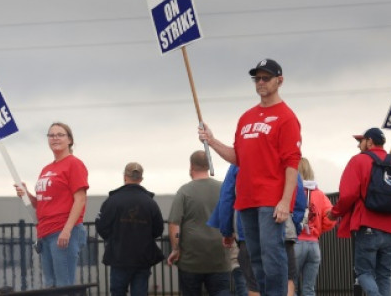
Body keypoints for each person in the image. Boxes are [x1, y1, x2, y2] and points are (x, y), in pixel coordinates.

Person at [199, 58, 302, 296]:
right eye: (257, 78)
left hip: (270, 200)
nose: (261, 82)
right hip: (245, 199)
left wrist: (285, 201)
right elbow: (238, 157)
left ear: (280, 80)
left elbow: (292, 162)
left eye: (266, 78)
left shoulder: (286, 117)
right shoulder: (246, 117)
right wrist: (212, 141)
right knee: (255, 259)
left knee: (272, 254)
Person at [328, 128, 391, 296]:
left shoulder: (358, 161)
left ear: (369, 142)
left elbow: (348, 195)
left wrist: (335, 213)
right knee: (384, 276)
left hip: (368, 226)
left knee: (364, 273)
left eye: (360, 142)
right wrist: (389, 203)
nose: (358, 146)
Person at [16, 122, 89, 288]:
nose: (55, 138)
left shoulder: (74, 164)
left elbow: (80, 200)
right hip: (45, 232)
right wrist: (26, 195)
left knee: (64, 285)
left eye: (60, 134)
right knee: (50, 285)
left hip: (63, 231)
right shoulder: (46, 168)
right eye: (51, 135)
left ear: (70, 140)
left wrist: (67, 230)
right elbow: (42, 203)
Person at [95, 162, 165, 296]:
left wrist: (112, 239)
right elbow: (158, 230)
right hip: (142, 258)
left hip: (119, 256)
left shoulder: (112, 201)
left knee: (118, 291)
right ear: (141, 179)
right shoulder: (150, 202)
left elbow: (102, 226)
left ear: (125, 177)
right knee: (140, 292)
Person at [167, 150, 232, 296]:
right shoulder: (223, 189)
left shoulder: (184, 191)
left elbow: (174, 223)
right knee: (221, 291)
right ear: (209, 165)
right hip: (219, 257)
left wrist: (175, 249)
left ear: (191, 166)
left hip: (191, 260)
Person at [207, 165, 257, 296]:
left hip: (245, 234)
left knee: (248, 284)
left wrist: (227, 231)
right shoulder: (278, 156)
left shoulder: (238, 164)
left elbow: (227, 199)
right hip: (276, 234)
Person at [294, 158, 334, 296]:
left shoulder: (291, 192)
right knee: (309, 289)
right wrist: (318, 229)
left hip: (295, 243)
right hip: (314, 245)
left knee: (290, 286)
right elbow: (330, 218)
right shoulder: (320, 194)